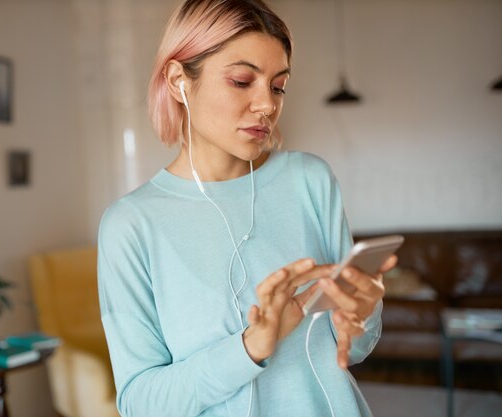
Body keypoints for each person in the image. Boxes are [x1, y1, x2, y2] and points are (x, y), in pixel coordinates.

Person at [97, 1, 396, 416]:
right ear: (179, 80)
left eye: (278, 86)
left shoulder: (310, 181)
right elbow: (140, 403)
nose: (267, 105)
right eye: (242, 81)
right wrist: (252, 346)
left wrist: (363, 313)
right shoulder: (130, 225)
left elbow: (352, 349)